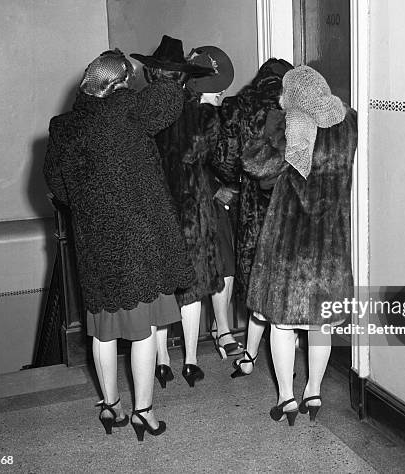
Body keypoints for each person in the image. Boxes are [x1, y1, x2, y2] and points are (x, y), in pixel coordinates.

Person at [43, 49, 194, 441]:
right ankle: (143, 412)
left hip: (95, 244)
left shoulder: (64, 128)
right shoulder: (129, 113)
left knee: (103, 332)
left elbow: (59, 189)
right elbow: (169, 99)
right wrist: (167, 72)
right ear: (119, 84)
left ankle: (111, 406)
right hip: (139, 243)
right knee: (142, 332)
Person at [244, 65, 357, 425]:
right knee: (320, 324)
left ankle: (286, 398)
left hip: (290, 246)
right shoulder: (349, 122)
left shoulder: (292, 128)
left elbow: (253, 162)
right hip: (331, 244)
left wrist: (276, 124)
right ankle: (315, 390)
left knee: (281, 324)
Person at [132, 37, 242, 389]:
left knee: (163, 287)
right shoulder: (201, 115)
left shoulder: (139, 111)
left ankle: (162, 360)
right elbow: (218, 163)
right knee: (192, 286)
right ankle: (191, 361)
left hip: (154, 205)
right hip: (193, 207)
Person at [214, 58, 294, 378]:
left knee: (258, 281)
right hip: (291, 205)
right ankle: (285, 342)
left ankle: (250, 356)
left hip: (253, 206)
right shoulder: (295, 106)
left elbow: (225, 162)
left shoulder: (237, 107)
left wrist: (237, 182)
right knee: (285, 280)